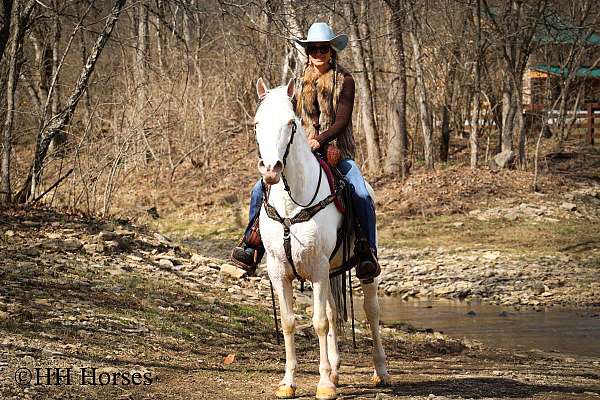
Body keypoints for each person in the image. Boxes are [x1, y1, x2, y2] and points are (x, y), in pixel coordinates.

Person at [231, 22, 380, 282]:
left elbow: (342, 120)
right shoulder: (298, 83)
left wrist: (319, 140)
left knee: (360, 191)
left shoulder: (345, 80)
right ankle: (251, 245)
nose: (318, 53)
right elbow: (286, 116)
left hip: (336, 151)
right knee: (258, 189)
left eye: (323, 48)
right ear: (308, 51)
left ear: (332, 50)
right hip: (300, 152)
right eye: (313, 49)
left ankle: (366, 251)